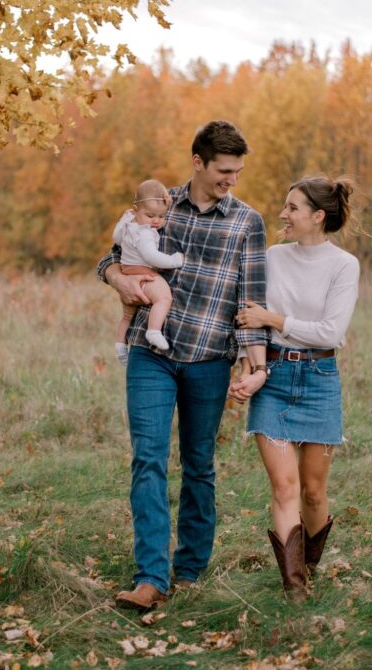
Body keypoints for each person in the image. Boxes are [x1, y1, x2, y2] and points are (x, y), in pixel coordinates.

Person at [97, 120, 267, 611]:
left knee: (198, 466)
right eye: (223, 170)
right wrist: (114, 278)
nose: (231, 180)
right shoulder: (157, 206)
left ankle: (189, 568)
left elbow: (252, 297)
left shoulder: (247, 222)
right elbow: (109, 259)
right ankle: (151, 576)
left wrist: (252, 364)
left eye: (237, 172)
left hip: (210, 359)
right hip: (153, 353)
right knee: (147, 458)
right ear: (198, 162)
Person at [230, 175, 360, 602]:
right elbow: (248, 319)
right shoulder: (272, 256)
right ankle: (295, 589)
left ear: (318, 216)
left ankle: (309, 568)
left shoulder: (344, 265)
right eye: (284, 206)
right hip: (274, 378)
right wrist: (252, 367)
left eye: (293, 208)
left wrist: (274, 319)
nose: (283, 215)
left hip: (321, 380)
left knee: (313, 491)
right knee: (284, 488)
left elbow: (330, 332)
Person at [112, 180, 184, 365]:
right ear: (136, 209)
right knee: (163, 298)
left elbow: (117, 239)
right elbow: (151, 256)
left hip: (126, 270)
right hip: (143, 272)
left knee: (128, 315)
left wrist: (125, 218)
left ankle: (120, 346)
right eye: (150, 215)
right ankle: (153, 331)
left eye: (161, 216)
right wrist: (174, 260)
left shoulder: (129, 223)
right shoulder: (145, 233)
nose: (155, 220)